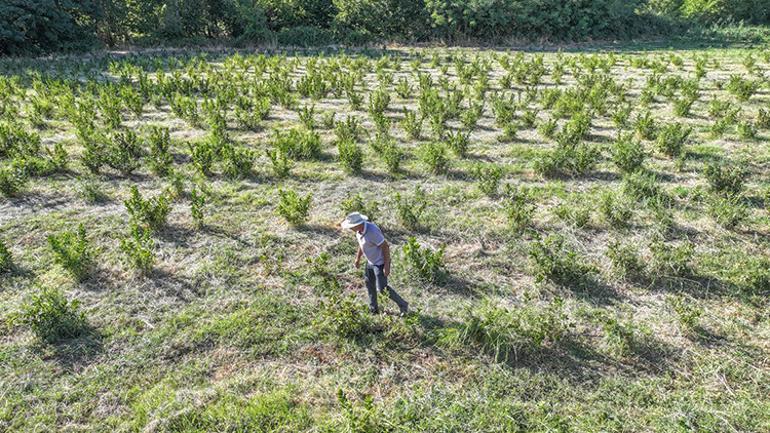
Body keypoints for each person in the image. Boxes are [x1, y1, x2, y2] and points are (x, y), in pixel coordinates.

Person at [341, 212, 409, 316]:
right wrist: (357, 259)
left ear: (358, 224)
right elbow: (361, 245)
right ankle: (374, 310)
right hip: (370, 262)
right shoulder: (359, 231)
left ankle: (403, 305)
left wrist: (387, 265)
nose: (350, 228)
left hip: (380, 263)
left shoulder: (372, 231)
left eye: (352, 226)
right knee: (369, 284)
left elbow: (385, 246)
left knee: (382, 288)